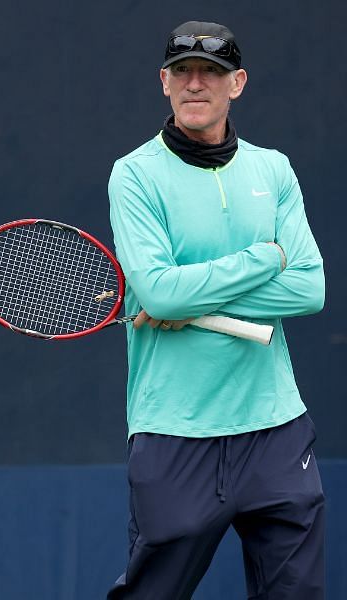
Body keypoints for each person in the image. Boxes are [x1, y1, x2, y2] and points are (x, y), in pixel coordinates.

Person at [106, 21, 325, 599]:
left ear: (238, 83)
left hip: (276, 426)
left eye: (211, 73)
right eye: (182, 72)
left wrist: (187, 293)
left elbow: (309, 290)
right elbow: (160, 295)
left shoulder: (273, 169)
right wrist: (266, 256)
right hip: (176, 429)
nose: (195, 84)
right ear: (164, 82)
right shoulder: (134, 174)